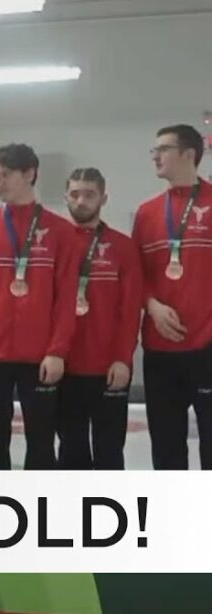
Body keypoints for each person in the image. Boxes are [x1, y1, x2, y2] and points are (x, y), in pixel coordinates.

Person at [0, 144, 80, 470]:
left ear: (29, 174)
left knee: (41, 442)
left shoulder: (62, 233)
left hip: (40, 356)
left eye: (5, 175)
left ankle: (38, 507)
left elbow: (67, 300)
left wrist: (57, 351)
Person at [133, 124, 212, 469]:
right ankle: (174, 516)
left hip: (207, 347)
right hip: (160, 349)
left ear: (189, 155)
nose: (155, 156)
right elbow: (137, 275)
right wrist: (152, 306)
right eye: (154, 150)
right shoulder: (147, 212)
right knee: (166, 447)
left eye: (162, 149)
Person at [58, 168, 142, 470]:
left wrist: (123, 358)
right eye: (75, 194)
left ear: (103, 198)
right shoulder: (55, 242)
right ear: (66, 196)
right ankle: (73, 512)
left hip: (110, 367)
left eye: (89, 194)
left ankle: (110, 510)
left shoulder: (123, 246)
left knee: (109, 451)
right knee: (70, 448)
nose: (81, 201)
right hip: (64, 367)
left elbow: (130, 309)